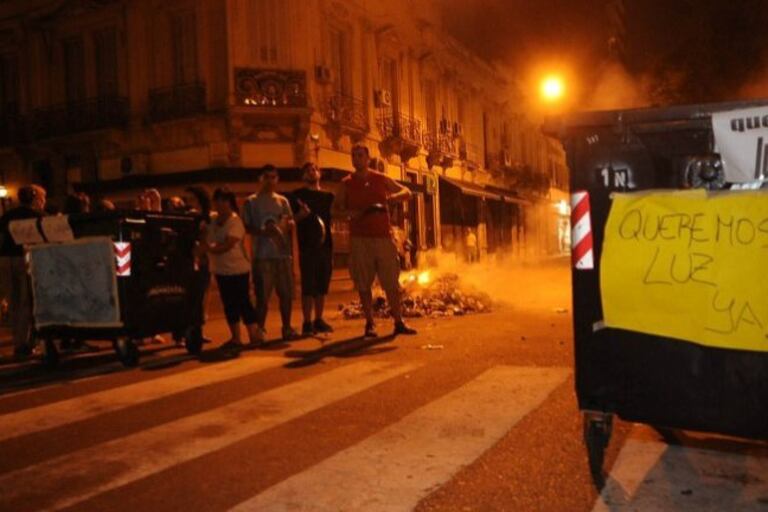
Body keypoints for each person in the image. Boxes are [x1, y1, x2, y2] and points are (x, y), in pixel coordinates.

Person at [338, 145, 417, 338]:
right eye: (353, 155)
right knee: (363, 283)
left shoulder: (381, 179)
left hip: (383, 238)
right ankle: (370, 323)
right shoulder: (346, 183)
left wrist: (393, 198)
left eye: (360, 155)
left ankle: (399, 321)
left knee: (391, 282)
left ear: (367, 158)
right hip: (360, 239)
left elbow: (407, 191)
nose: (356, 159)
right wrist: (351, 213)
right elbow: (335, 209)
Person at [242, 165, 298, 341]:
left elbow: (289, 221)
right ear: (260, 178)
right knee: (262, 297)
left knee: (286, 294)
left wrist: (288, 225)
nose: (270, 181)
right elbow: (246, 226)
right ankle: (260, 330)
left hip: (282, 254)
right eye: (267, 177)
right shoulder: (251, 202)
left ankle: (287, 328)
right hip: (262, 256)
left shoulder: (283, 201)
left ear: (277, 179)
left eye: (273, 177)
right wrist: (263, 231)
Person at [204, 188, 261, 350]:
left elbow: (228, 245)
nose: (219, 204)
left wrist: (207, 249)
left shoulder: (235, 221)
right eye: (217, 201)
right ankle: (236, 338)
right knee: (229, 304)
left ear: (230, 202)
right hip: (220, 270)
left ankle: (254, 335)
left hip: (238, 269)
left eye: (223, 200)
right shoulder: (212, 220)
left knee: (243, 301)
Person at [0, 185, 46, 360]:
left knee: (13, 301)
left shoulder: (7, 216)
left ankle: (18, 341)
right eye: (42, 198)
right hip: (25, 258)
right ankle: (25, 343)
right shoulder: (39, 216)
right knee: (26, 301)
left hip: (5, 259)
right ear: (35, 198)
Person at [289, 162, 335, 337]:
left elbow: (334, 217)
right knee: (308, 286)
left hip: (325, 246)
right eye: (308, 170)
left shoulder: (328, 196)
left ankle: (319, 319)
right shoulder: (297, 196)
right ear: (303, 176)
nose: (312, 172)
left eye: (314, 169)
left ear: (319, 174)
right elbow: (289, 220)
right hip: (307, 246)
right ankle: (307, 322)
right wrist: (300, 215)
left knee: (322, 285)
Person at [185, 186, 213, 346]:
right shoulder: (189, 217)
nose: (189, 203)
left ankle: (199, 330)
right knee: (193, 297)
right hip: (191, 260)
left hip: (205, 260)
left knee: (203, 296)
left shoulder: (208, 217)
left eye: (192, 199)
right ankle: (188, 332)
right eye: (187, 199)